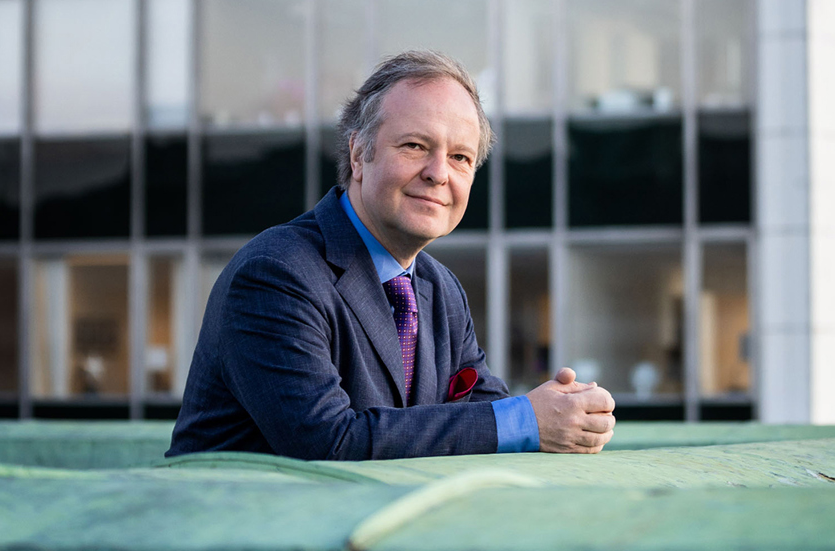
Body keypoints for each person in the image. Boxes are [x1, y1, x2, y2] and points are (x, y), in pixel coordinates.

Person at [167, 50, 615, 461]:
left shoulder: (440, 289)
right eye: (415, 146)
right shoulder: (276, 274)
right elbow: (327, 443)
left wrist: (565, 411)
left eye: (460, 157)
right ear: (359, 153)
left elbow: (481, 411)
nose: (439, 173)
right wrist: (524, 421)